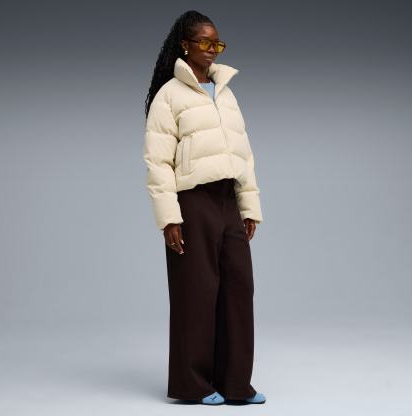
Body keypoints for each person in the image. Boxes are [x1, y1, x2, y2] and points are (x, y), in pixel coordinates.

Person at [143, 10, 266, 405]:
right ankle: (194, 384)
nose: (213, 50)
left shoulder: (225, 93)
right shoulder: (169, 96)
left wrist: (249, 206)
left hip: (228, 200)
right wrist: (169, 218)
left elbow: (244, 152)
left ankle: (235, 384)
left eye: (218, 44)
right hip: (192, 202)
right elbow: (158, 162)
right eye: (205, 42)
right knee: (195, 293)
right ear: (185, 45)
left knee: (238, 289)